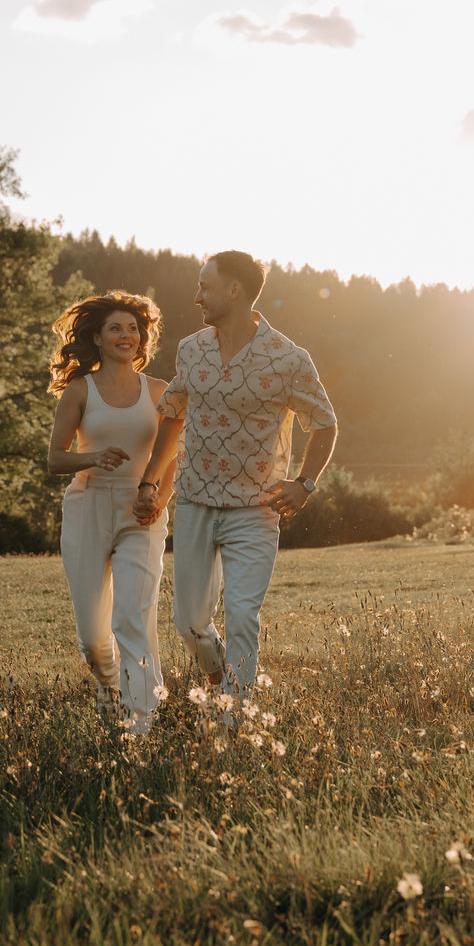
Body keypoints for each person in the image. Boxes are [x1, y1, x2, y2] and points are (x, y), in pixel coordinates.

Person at [134, 251, 336, 695]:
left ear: (234, 291)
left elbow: (324, 423)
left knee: (243, 614)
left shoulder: (288, 358)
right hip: (195, 500)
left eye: (204, 286)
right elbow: (173, 416)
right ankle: (220, 674)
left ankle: (234, 715)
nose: (196, 296)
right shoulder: (192, 349)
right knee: (190, 624)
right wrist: (150, 481)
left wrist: (304, 484)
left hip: (256, 507)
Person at [48, 291, 174, 734]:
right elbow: (54, 459)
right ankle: (110, 690)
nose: (127, 335)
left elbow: (172, 454)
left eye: (133, 328)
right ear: (97, 338)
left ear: (143, 339)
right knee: (93, 640)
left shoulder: (158, 392)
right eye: (116, 328)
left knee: (132, 616)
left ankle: (142, 723)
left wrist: (157, 497)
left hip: (141, 514)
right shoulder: (80, 391)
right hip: (89, 510)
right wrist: (93, 457)